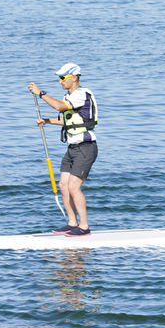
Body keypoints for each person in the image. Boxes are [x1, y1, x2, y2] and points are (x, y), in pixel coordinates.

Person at [28, 63, 98, 237]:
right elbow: (66, 120)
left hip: (86, 147)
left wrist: (40, 93)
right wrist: (46, 121)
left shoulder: (81, 94)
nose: (60, 81)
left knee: (74, 186)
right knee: (63, 185)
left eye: (62, 78)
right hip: (72, 148)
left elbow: (59, 107)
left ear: (74, 77)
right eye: (59, 78)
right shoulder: (68, 96)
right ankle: (72, 223)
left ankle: (84, 227)